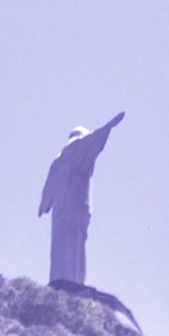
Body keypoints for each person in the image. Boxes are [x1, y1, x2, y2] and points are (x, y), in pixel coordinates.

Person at [39, 113, 123, 291]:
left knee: (59, 247)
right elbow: (93, 141)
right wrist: (109, 126)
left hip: (60, 212)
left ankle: (59, 280)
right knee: (76, 246)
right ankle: (75, 283)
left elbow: (47, 194)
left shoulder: (58, 161)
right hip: (77, 208)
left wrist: (45, 203)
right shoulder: (77, 148)